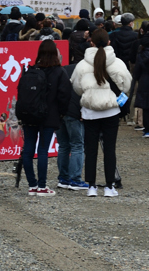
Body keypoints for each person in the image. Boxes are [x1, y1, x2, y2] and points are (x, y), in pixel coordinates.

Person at [72, 28, 132, 197]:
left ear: (91, 42)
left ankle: (91, 186)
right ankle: (109, 186)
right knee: (110, 149)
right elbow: (126, 85)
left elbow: (76, 87)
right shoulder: (117, 63)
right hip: (111, 110)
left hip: (90, 111)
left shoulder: (82, 65)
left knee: (90, 150)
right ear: (109, 43)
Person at [19, 40, 72, 196]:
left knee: (28, 149)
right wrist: (61, 113)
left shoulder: (31, 70)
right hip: (49, 116)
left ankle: (32, 185)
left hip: (29, 115)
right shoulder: (59, 72)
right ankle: (42, 187)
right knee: (43, 150)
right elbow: (65, 96)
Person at [57, 44, 89, 191]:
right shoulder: (86, 72)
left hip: (59, 112)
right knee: (77, 145)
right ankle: (75, 179)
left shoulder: (64, 69)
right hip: (75, 112)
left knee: (64, 146)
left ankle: (63, 178)